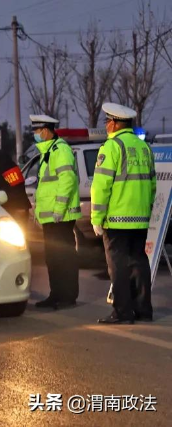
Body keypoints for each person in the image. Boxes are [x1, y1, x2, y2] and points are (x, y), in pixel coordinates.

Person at [91, 103, 156, 325]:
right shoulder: (144, 148)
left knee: (118, 266)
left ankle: (122, 312)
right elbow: (153, 184)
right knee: (139, 262)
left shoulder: (111, 147)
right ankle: (144, 310)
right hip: (140, 219)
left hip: (117, 219)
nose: (107, 125)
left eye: (108, 121)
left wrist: (96, 219)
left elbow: (101, 187)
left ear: (115, 123)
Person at [29, 115, 81, 310]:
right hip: (51, 216)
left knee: (63, 257)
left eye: (36, 131)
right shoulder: (49, 151)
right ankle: (56, 294)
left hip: (60, 216)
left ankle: (66, 296)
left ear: (45, 130)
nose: (35, 135)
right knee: (53, 257)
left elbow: (67, 181)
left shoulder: (61, 150)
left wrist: (59, 209)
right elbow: (46, 186)